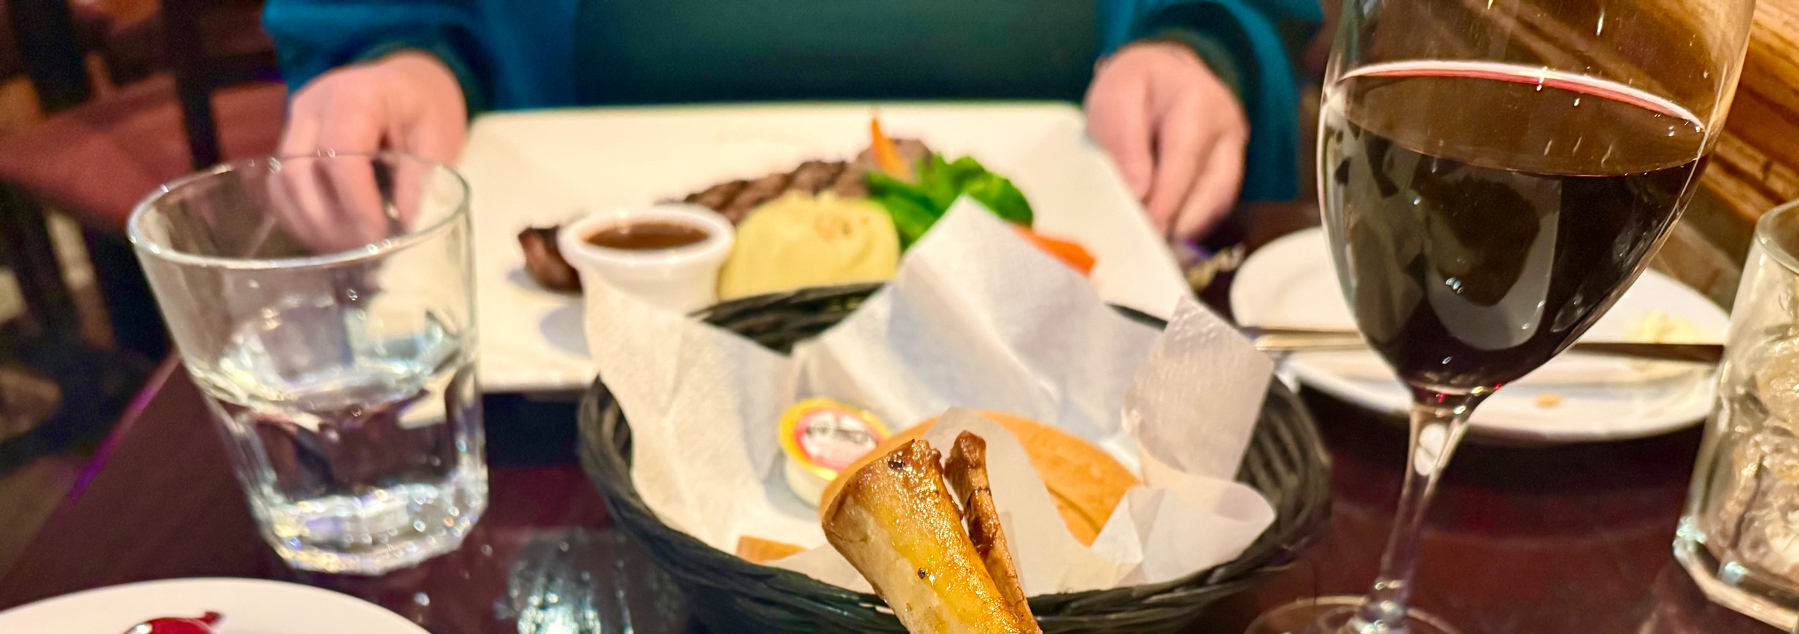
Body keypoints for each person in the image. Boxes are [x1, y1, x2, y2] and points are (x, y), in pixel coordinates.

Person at [264, 0, 1319, 241]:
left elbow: (1246, 8)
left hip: (1085, 276)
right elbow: (394, 17)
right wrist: (413, 58)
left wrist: (1203, 45)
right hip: (555, 397)